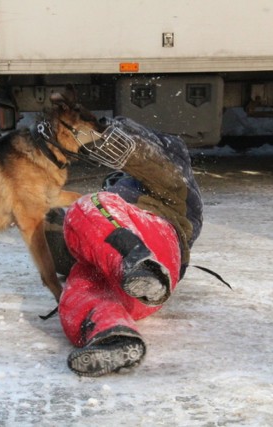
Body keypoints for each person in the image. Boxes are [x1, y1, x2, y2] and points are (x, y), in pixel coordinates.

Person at [45, 116, 203, 377]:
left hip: (157, 245)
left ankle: (139, 263)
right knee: (79, 287)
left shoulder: (175, 185)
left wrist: (104, 134)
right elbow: (67, 256)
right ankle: (113, 337)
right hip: (139, 292)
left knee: (89, 206)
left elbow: (149, 160)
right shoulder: (110, 210)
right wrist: (41, 215)